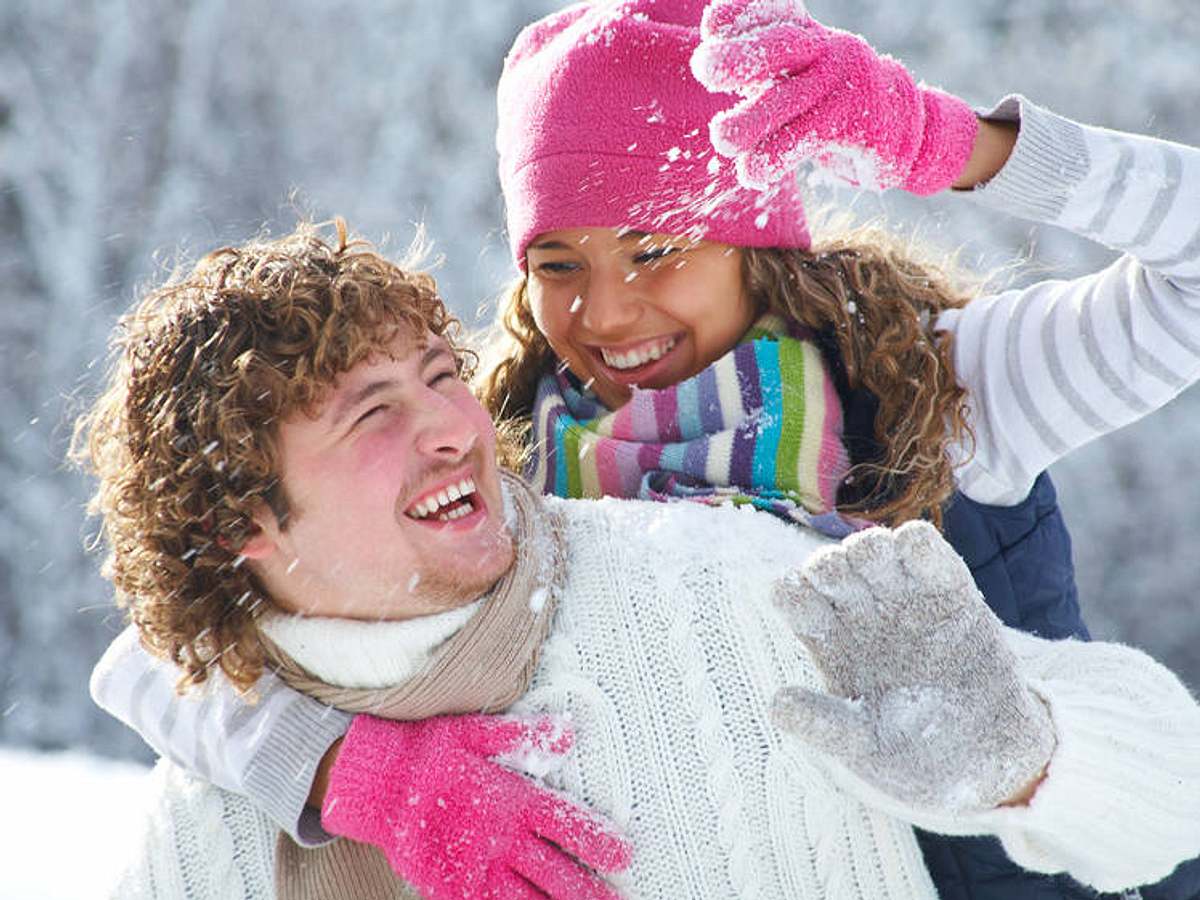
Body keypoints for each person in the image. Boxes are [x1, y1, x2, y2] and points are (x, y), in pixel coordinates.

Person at [88, 0, 1200, 895]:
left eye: (658, 248)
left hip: (1063, 853)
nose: (608, 315)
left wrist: (960, 145)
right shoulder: (507, 438)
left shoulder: (948, 381)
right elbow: (176, 637)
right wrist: (345, 768)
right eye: (559, 263)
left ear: (758, 238)